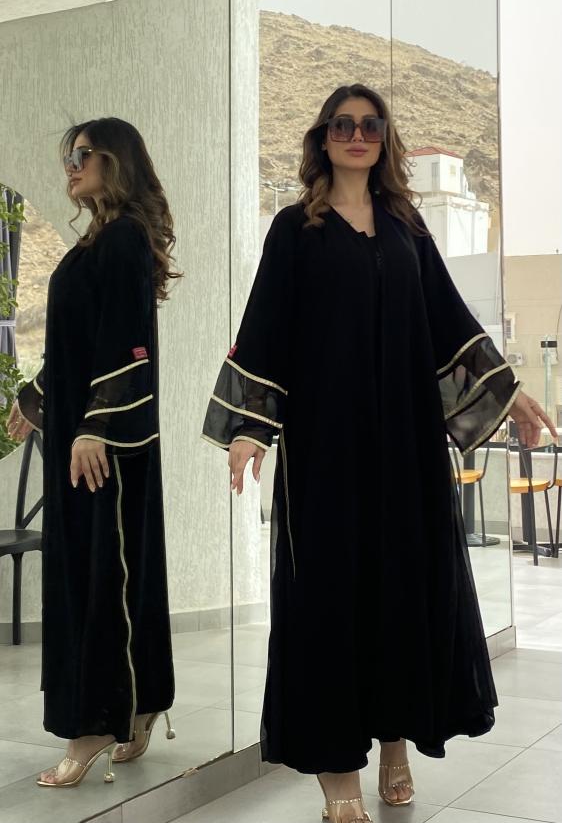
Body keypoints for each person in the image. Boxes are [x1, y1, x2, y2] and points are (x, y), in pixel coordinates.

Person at [202, 84, 556, 823]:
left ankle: (395, 743)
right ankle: (340, 774)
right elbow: (265, 330)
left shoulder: (406, 226)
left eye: (370, 125)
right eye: (343, 124)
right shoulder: (294, 229)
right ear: (323, 137)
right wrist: (250, 428)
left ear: (384, 138)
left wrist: (510, 393)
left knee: (400, 593)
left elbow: (449, 323)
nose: (356, 135)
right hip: (325, 452)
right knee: (328, 602)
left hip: (405, 448)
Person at [7, 117, 179, 788]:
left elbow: (125, 340)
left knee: (101, 579)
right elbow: (78, 343)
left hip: (104, 447)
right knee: (99, 573)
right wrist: (37, 396)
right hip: (85, 440)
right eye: (68, 157)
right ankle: (140, 702)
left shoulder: (126, 238)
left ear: (116, 160)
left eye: (82, 154)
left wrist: (94, 427)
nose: (71, 166)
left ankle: (96, 724)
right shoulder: (97, 242)